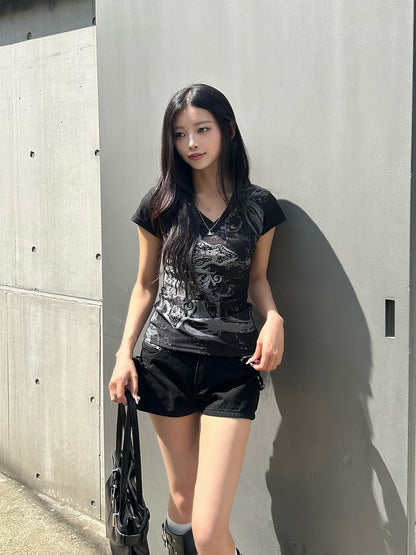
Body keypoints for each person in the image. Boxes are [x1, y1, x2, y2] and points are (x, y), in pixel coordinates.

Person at [108, 83, 286, 555]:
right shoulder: (160, 204)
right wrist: (124, 354)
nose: (191, 143)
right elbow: (145, 285)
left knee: (208, 529)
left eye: (202, 129)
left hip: (232, 369)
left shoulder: (258, 206)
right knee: (184, 500)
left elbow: (257, 279)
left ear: (228, 130)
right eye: (180, 133)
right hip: (166, 362)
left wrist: (273, 318)